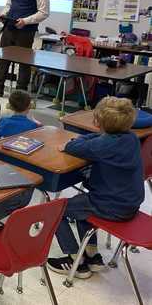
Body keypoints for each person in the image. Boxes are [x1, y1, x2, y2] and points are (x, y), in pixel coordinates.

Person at [47, 97, 144, 279]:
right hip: (129, 204)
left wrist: (68, 144)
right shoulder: (131, 138)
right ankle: (92, 255)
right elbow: (96, 139)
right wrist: (85, 138)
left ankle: (75, 259)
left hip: (110, 205)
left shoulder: (104, 145)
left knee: (55, 210)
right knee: (83, 207)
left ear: (99, 121)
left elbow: (76, 147)